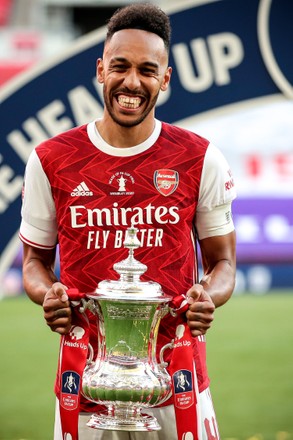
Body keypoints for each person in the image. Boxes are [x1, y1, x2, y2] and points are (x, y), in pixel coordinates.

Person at [19, 3, 236, 440]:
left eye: (147, 70)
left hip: (179, 386)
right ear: (101, 70)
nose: (131, 82)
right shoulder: (51, 160)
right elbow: (33, 264)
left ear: (165, 78)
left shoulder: (200, 157)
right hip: (86, 388)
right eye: (120, 66)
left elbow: (223, 263)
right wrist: (49, 295)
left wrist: (207, 296)